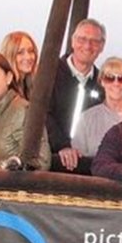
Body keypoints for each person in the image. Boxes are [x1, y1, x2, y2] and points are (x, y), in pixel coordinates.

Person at [47, 18, 106, 172]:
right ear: (72, 41)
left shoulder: (102, 84)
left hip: (85, 163)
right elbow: (43, 114)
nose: (87, 46)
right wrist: (62, 146)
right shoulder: (50, 74)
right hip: (51, 159)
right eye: (82, 39)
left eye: (94, 41)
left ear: (102, 46)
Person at [72, 57, 122, 157]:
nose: (116, 83)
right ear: (102, 81)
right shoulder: (87, 119)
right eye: (110, 78)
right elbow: (78, 155)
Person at [0, 30, 38, 98]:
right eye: (20, 53)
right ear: (9, 55)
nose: (28, 57)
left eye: (31, 51)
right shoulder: (4, 89)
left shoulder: (33, 82)